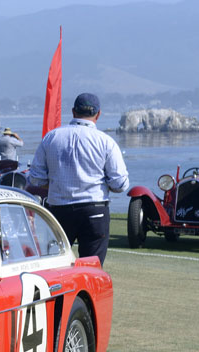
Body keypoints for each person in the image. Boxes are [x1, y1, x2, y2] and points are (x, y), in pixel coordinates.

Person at [27, 93, 129, 265]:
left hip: (59, 209)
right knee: (91, 269)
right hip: (94, 210)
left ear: (73, 112)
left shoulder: (51, 137)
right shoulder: (106, 141)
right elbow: (120, 184)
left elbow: (36, 179)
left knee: (55, 267)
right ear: (98, 114)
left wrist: (57, 184)